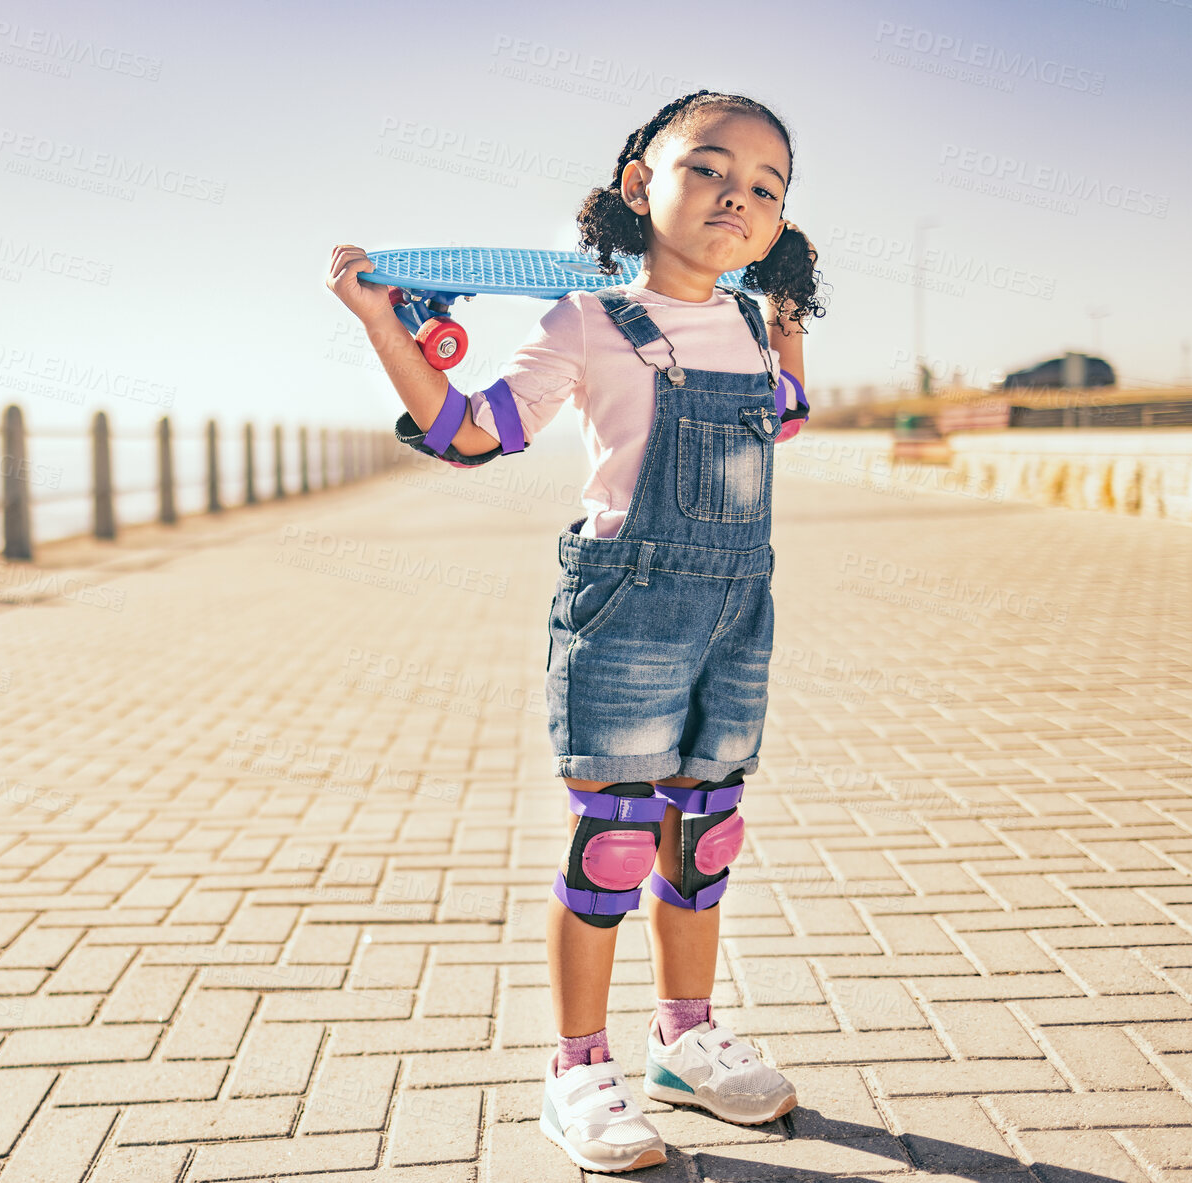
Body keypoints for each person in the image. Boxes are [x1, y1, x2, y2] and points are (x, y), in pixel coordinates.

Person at [327, 89, 825, 1173]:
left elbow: (784, 414)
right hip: (628, 610)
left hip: (740, 612)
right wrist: (384, 328)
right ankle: (578, 1070)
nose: (736, 194)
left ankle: (685, 1041)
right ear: (642, 183)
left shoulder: (748, 321)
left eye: (765, 187)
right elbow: (469, 434)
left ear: (780, 224)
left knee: (705, 839)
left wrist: (787, 316)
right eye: (709, 167)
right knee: (612, 843)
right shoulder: (590, 321)